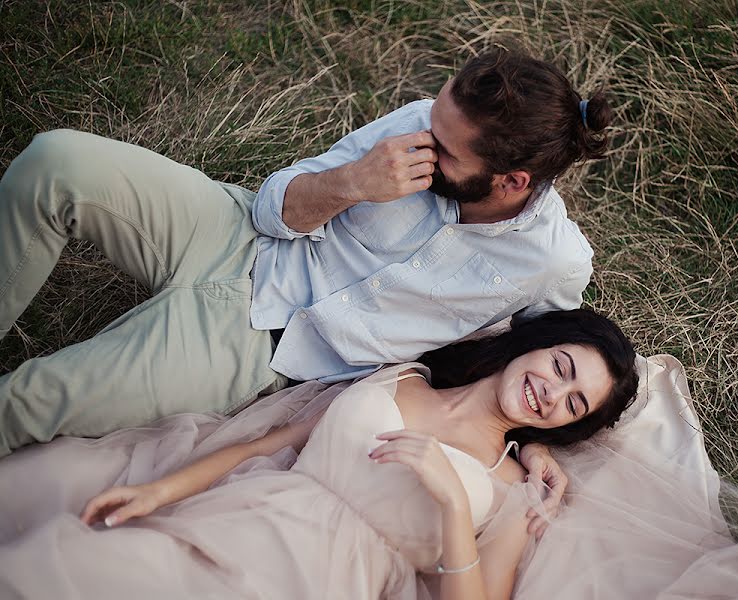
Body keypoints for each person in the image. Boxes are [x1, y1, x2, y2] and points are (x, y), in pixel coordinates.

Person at [0, 45, 610, 500]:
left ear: (511, 181)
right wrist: (352, 183)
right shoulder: (422, 125)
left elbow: (539, 352)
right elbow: (274, 204)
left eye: (447, 149)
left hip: (264, 347)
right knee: (57, 161)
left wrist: (528, 441)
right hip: (236, 231)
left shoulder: (552, 263)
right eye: (431, 120)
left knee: (31, 401)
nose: (425, 137)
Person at [0, 309, 640, 599]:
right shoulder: (402, 376)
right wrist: (160, 491)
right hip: (244, 518)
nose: (552, 394)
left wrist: (450, 503)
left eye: (574, 405)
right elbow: (266, 444)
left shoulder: (508, 492)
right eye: (560, 367)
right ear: (537, 342)